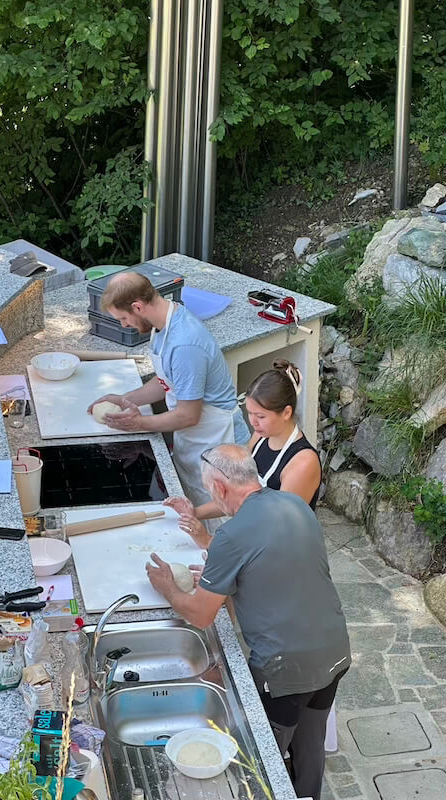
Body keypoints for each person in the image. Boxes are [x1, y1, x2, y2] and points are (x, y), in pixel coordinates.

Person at [146, 444, 350, 800]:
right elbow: (277, 571)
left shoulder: (231, 535)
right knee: (309, 751)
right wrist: (222, 581)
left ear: (222, 488)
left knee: (261, 765)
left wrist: (167, 589)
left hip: (285, 669)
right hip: (335, 651)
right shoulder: (296, 506)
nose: (212, 497)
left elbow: (200, 614)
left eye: (210, 490)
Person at [87, 272, 249, 507]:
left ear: (138, 307)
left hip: (221, 447)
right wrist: (124, 399)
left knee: (220, 517)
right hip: (197, 444)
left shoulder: (184, 344)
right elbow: (167, 381)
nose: (124, 325)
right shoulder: (164, 324)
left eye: (123, 318)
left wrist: (138, 424)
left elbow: (188, 415)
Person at [165, 358, 322, 548]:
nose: (253, 422)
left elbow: (274, 528)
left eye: (261, 416)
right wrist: (194, 513)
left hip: (284, 555)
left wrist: (210, 542)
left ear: (287, 413)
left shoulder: (303, 463)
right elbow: (239, 497)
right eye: (250, 413)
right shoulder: (261, 435)